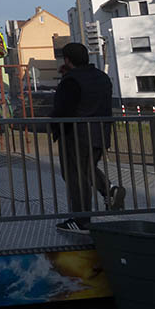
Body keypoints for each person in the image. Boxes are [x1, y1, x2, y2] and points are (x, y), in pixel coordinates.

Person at [51, 42, 125, 234]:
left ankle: (81, 221)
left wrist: (54, 128)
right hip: (100, 132)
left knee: (75, 176)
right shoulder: (102, 77)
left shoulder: (71, 81)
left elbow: (63, 109)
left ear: (67, 60)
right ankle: (109, 191)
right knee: (87, 169)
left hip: (77, 135)